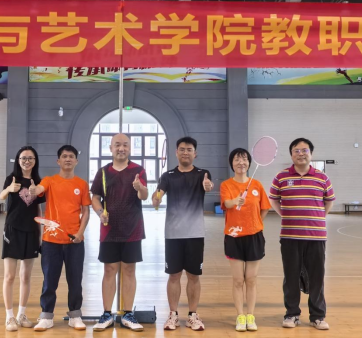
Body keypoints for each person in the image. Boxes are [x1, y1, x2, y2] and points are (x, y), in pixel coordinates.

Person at [269, 138, 335, 331]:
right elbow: (273, 199)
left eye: (304, 150)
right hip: (290, 237)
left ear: (311, 154)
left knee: (317, 277)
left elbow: (329, 201)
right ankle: (292, 314)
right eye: (296, 151)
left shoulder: (322, 177)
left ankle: (317, 316)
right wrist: (284, 214)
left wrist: (318, 217)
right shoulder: (281, 177)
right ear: (291, 154)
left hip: (316, 237)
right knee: (291, 277)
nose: (300, 154)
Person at [152, 136, 213, 331]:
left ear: (195, 153)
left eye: (189, 149)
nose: (185, 152)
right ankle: (173, 315)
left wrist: (208, 186)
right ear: (176, 152)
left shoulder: (203, 174)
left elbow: (208, 185)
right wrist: (156, 198)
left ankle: (193, 315)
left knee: (194, 276)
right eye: (182, 149)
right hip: (173, 234)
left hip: (195, 233)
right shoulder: (167, 176)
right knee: (174, 275)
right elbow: (157, 196)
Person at [90, 133, 149, 332]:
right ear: (111, 148)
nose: (121, 148)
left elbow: (144, 196)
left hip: (133, 229)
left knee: (129, 270)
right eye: (117, 145)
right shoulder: (103, 172)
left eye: (125, 145)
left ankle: (127, 314)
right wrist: (100, 213)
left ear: (130, 148)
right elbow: (95, 198)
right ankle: (107, 314)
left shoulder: (138, 170)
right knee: (109, 270)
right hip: (109, 230)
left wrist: (140, 187)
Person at [33, 145, 91, 331]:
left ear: (76, 161)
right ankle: (46, 316)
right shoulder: (49, 181)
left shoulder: (82, 184)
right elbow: (38, 189)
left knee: (75, 281)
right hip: (51, 241)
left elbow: (86, 211)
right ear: (58, 161)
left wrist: (80, 233)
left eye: (71, 156)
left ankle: (75, 315)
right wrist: (33, 188)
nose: (68, 159)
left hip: (74, 241)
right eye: (64, 156)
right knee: (49, 281)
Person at [220, 148, 271, 332]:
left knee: (251, 279)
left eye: (244, 159)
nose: (241, 162)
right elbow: (226, 204)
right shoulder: (226, 185)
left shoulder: (256, 185)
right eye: (237, 159)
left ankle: (250, 315)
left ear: (249, 163)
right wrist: (235, 201)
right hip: (233, 236)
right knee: (238, 280)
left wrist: (256, 223)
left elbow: (265, 207)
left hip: (254, 237)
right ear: (232, 164)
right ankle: (240, 316)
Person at [0, 146, 46, 332]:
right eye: (23, 158)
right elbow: (1, 196)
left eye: (30, 158)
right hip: (13, 230)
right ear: (18, 160)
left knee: (25, 276)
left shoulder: (38, 182)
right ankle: (9, 316)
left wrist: (40, 233)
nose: (27, 161)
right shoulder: (11, 179)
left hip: (31, 231)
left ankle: (21, 314)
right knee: (9, 276)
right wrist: (9, 189)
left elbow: (38, 208)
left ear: (35, 161)